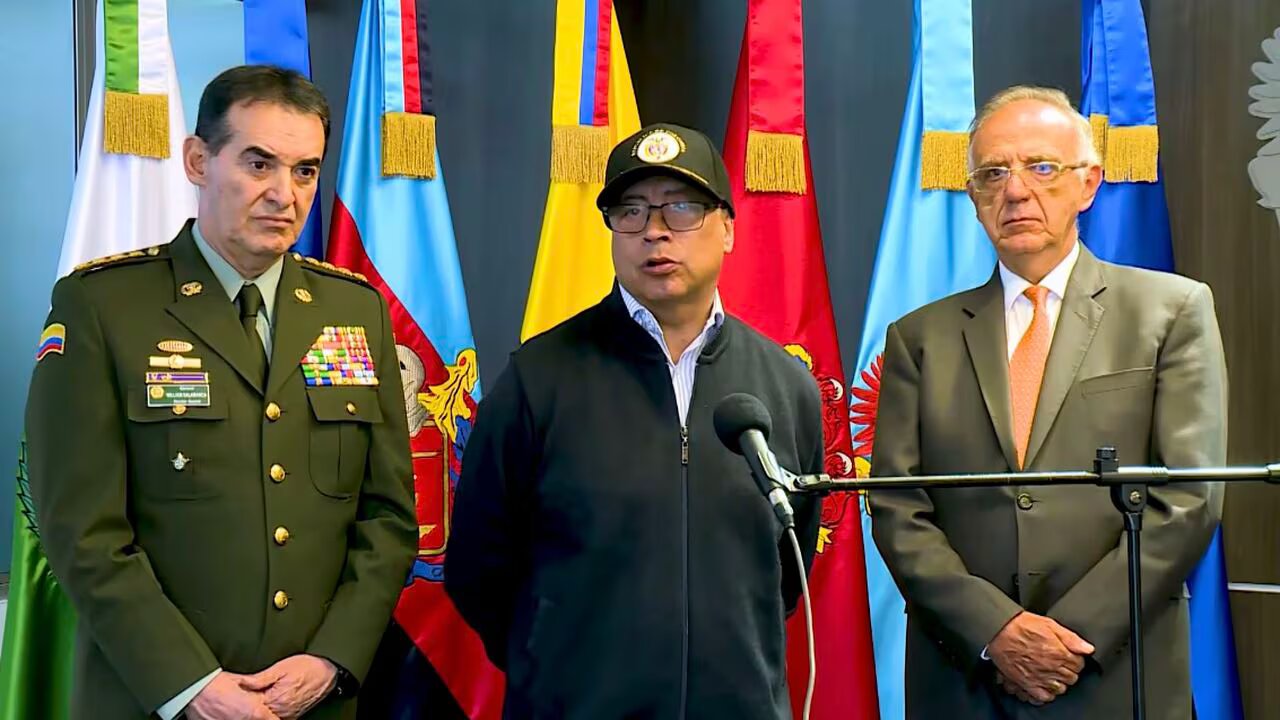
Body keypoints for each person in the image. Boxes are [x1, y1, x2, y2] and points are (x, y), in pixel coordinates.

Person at [25, 65, 417, 720]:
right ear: (198, 161)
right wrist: (191, 685)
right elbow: (81, 532)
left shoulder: (354, 311)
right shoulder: (103, 308)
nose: (284, 194)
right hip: (155, 700)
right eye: (259, 164)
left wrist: (332, 660)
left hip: (312, 701)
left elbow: (388, 518)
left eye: (305, 171)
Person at [869, 86, 1227, 719]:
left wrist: (1067, 640)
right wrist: (996, 631)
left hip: (1116, 675)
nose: (1015, 191)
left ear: (1088, 184)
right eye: (992, 173)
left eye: (1041, 167)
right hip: (964, 680)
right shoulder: (917, 338)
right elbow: (899, 508)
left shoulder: (1171, 312)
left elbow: (1187, 500)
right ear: (973, 197)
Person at [444, 123, 823, 719]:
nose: (654, 230)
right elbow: (476, 566)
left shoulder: (785, 385)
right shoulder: (539, 378)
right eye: (631, 211)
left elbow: (787, 573)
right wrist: (554, 667)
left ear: (727, 228)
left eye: (681, 208)